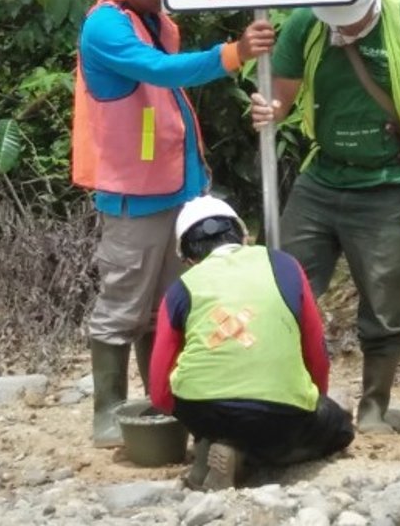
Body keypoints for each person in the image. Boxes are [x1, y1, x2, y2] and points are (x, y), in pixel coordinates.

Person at [72, 0, 275, 447]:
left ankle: (159, 402)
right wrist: (231, 55)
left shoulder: (156, 19)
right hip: (133, 197)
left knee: (166, 307)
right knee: (122, 306)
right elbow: (161, 72)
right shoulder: (106, 25)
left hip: (176, 189)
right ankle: (108, 413)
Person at [250, 0, 400, 433]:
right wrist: (269, 112)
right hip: (322, 177)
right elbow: (281, 97)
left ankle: (373, 409)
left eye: (351, 19)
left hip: (385, 183)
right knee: (279, 285)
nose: (342, 28)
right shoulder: (307, 23)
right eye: (336, 21)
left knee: (385, 304)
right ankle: (289, 399)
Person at [148, 196, 354, 489]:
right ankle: (252, 455)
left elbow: (158, 390)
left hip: (202, 411)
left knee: (224, 417)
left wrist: (192, 418)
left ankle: (216, 445)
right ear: (244, 236)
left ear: (187, 258)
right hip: (279, 411)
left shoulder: (180, 289)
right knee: (340, 429)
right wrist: (312, 398)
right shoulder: (285, 265)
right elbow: (315, 352)